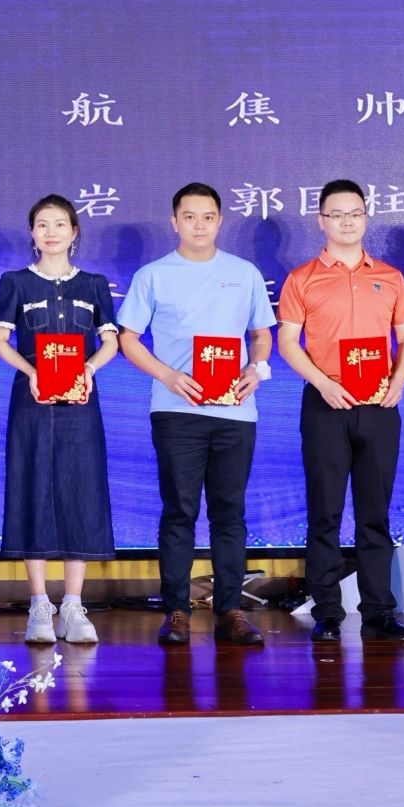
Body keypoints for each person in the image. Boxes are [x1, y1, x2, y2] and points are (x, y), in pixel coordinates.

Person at [118, 183, 275, 648]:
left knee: (230, 512)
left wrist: (257, 369)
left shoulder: (244, 273)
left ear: (220, 221)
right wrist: (167, 376)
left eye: (208, 216)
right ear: (175, 222)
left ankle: (230, 610)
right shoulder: (153, 275)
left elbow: (262, 334)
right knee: (179, 511)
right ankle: (177, 611)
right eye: (189, 217)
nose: (199, 225)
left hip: (235, 411)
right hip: (176, 411)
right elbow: (128, 339)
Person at [276, 178, 404, 643]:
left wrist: (398, 382)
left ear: (365, 217)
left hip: (380, 403)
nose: (346, 222)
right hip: (326, 404)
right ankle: (327, 611)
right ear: (322, 221)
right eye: (336, 215)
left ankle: (379, 611)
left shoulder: (390, 277)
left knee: (375, 511)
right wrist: (322, 383)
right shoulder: (302, 278)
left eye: (355, 213)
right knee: (325, 511)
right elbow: (287, 342)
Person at [0, 193, 118, 646]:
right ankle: (40, 605)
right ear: (32, 233)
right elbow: (0, 341)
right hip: (32, 402)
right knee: (33, 489)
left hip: (81, 403)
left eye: (60, 224)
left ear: (74, 232)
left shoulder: (94, 285)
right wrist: (31, 373)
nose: (51, 232)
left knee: (80, 490)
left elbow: (110, 342)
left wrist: (89, 369)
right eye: (42, 224)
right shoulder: (16, 283)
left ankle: (74, 605)